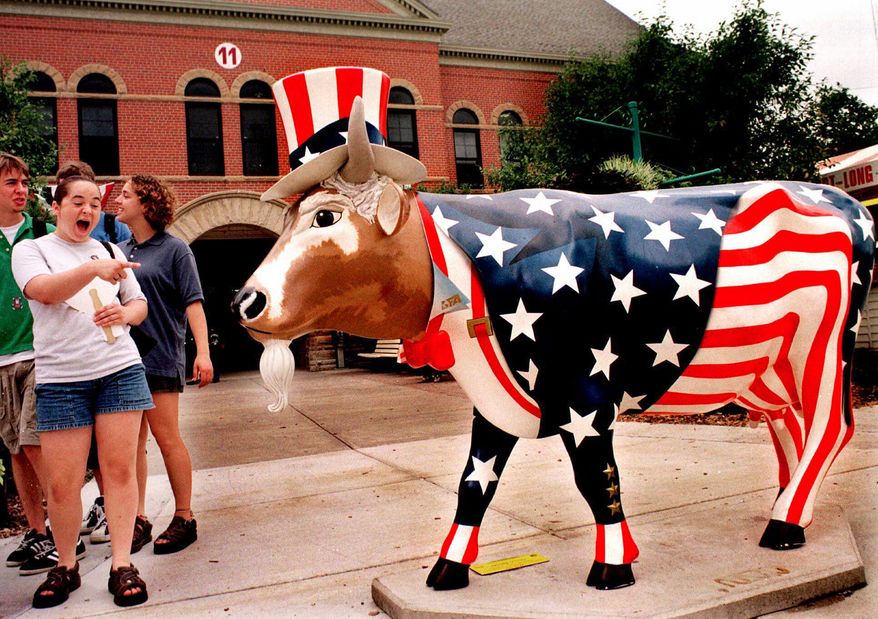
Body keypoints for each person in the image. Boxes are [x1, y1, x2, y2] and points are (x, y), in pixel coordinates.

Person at [11, 174, 152, 608]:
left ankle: (122, 564)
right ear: (56, 206)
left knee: (120, 471)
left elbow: (139, 304)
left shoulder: (109, 249)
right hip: (60, 381)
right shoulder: (32, 250)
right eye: (77, 201)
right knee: (63, 482)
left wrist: (124, 314)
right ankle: (66, 565)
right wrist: (92, 269)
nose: (87, 211)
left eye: (94, 203)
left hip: (118, 371)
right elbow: (42, 291)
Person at [115, 175, 213, 555]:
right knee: (131, 445)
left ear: (147, 203)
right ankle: (137, 518)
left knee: (166, 437)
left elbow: (194, 305)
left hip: (161, 357)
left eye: (126, 195)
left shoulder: (175, 250)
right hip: (123, 360)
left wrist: (202, 353)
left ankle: (184, 516)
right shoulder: (118, 250)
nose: (118, 201)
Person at [0, 153, 54, 574]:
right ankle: (37, 533)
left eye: (23, 181)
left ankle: (60, 526)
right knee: (17, 449)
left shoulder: (42, 235)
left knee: (35, 441)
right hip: (1, 360)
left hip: (41, 354)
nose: (21, 190)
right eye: (10, 183)